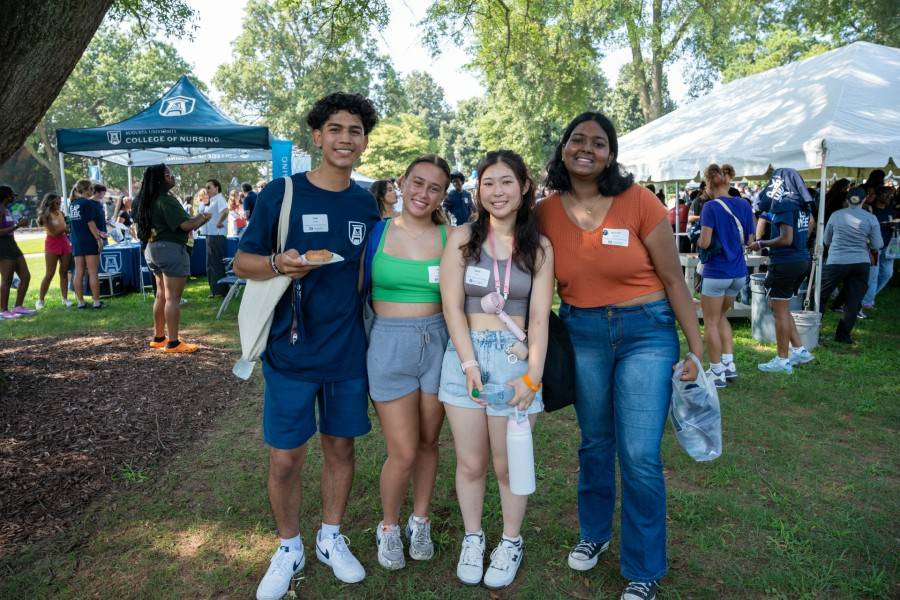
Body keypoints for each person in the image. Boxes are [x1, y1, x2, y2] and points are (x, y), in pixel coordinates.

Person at [537, 112, 703, 600]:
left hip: (646, 332)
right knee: (594, 442)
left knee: (639, 454)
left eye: (598, 143)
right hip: (583, 331)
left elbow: (675, 280)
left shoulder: (638, 202)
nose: (586, 148)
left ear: (611, 154)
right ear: (563, 148)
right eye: (576, 140)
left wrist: (697, 349)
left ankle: (643, 567)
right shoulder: (545, 211)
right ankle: (595, 534)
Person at [233, 92, 381, 600]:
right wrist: (280, 263)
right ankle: (289, 545)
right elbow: (242, 263)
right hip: (290, 350)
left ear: (364, 142)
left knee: (340, 447)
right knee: (285, 457)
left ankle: (330, 538)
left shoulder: (366, 201)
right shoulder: (282, 192)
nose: (346, 138)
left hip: (347, 352)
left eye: (355, 131)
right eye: (336, 129)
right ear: (317, 137)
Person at [439, 149, 554, 589]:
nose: (497, 191)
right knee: (470, 462)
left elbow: (541, 317)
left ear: (524, 187)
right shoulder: (462, 238)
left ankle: (510, 540)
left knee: (508, 464)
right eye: (489, 183)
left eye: (507, 182)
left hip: (516, 358)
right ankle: (473, 537)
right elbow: (451, 306)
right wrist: (468, 362)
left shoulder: (538, 245)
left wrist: (533, 376)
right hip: (464, 355)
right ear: (478, 189)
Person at [365, 155, 451, 571]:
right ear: (402, 182)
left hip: (438, 342)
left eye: (434, 188)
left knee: (428, 442)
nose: (424, 194)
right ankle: (388, 526)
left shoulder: (451, 237)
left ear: (443, 195)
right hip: (388, 344)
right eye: (417, 183)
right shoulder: (377, 232)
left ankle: (421, 520)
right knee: (401, 451)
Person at [136, 164, 211, 352]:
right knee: (173, 298)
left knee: (161, 295)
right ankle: (174, 342)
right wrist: (202, 217)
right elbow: (185, 225)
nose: (173, 177)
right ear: (160, 180)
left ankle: (159, 337)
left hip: (152, 249)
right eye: (168, 175)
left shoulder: (145, 200)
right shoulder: (165, 200)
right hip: (169, 249)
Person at [696, 164, 755, 388]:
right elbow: (750, 241)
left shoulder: (710, 207)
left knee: (710, 321)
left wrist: (698, 238)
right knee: (721, 317)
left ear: (710, 183)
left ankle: (716, 371)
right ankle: (729, 365)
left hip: (716, 271)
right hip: (738, 272)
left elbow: (705, 242)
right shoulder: (744, 204)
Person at [751, 173, 816, 373]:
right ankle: (799, 350)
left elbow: (786, 238)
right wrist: (800, 243)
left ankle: (782, 360)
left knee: (779, 311)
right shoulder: (802, 203)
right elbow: (811, 223)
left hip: (786, 261)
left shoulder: (784, 203)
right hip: (801, 259)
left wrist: (761, 243)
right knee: (780, 306)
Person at [817, 187, 883, 343]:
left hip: (837, 261)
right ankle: (843, 336)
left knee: (820, 296)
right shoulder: (871, 218)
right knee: (853, 300)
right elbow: (877, 244)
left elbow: (826, 240)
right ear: (864, 200)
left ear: (847, 199)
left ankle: (813, 331)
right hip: (860, 263)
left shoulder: (836, 215)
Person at [69, 179, 106, 309]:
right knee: (92, 272)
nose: (92, 191)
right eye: (91, 189)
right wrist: (98, 238)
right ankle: (96, 302)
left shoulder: (72, 204)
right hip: (88, 240)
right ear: (85, 190)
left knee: (78, 272)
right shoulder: (87, 203)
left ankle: (81, 302)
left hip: (76, 241)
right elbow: (90, 224)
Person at [0, 185, 35, 319]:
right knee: (7, 278)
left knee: (25, 276)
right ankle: (3, 310)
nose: (13, 198)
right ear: (6, 196)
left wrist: (18, 225)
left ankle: (18, 306)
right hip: (3, 247)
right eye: (11, 195)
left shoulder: (7, 210)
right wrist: (17, 226)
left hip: (12, 245)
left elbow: (9, 228)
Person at [36, 193, 73, 309]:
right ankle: (40, 300)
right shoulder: (46, 216)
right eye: (57, 202)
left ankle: (65, 299)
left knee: (64, 272)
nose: (59, 204)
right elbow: (54, 232)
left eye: (59, 202)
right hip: (52, 244)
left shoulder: (61, 214)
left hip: (65, 243)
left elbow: (64, 231)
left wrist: (67, 229)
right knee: (50, 273)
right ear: (50, 202)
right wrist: (65, 228)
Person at [862, 186, 896, 309]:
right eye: (887, 195)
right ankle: (867, 302)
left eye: (891, 195)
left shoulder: (891, 211)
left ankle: (870, 296)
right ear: (879, 195)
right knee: (873, 275)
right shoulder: (870, 210)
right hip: (874, 247)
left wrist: (894, 227)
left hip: (889, 247)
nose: (889, 197)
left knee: (887, 273)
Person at [199, 178, 229, 297]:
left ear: (217, 188)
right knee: (210, 263)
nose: (207, 190)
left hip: (216, 235)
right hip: (209, 234)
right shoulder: (210, 200)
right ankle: (215, 290)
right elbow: (202, 213)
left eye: (209, 187)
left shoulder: (219, 199)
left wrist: (220, 222)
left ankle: (220, 291)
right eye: (206, 187)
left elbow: (225, 211)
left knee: (215, 263)